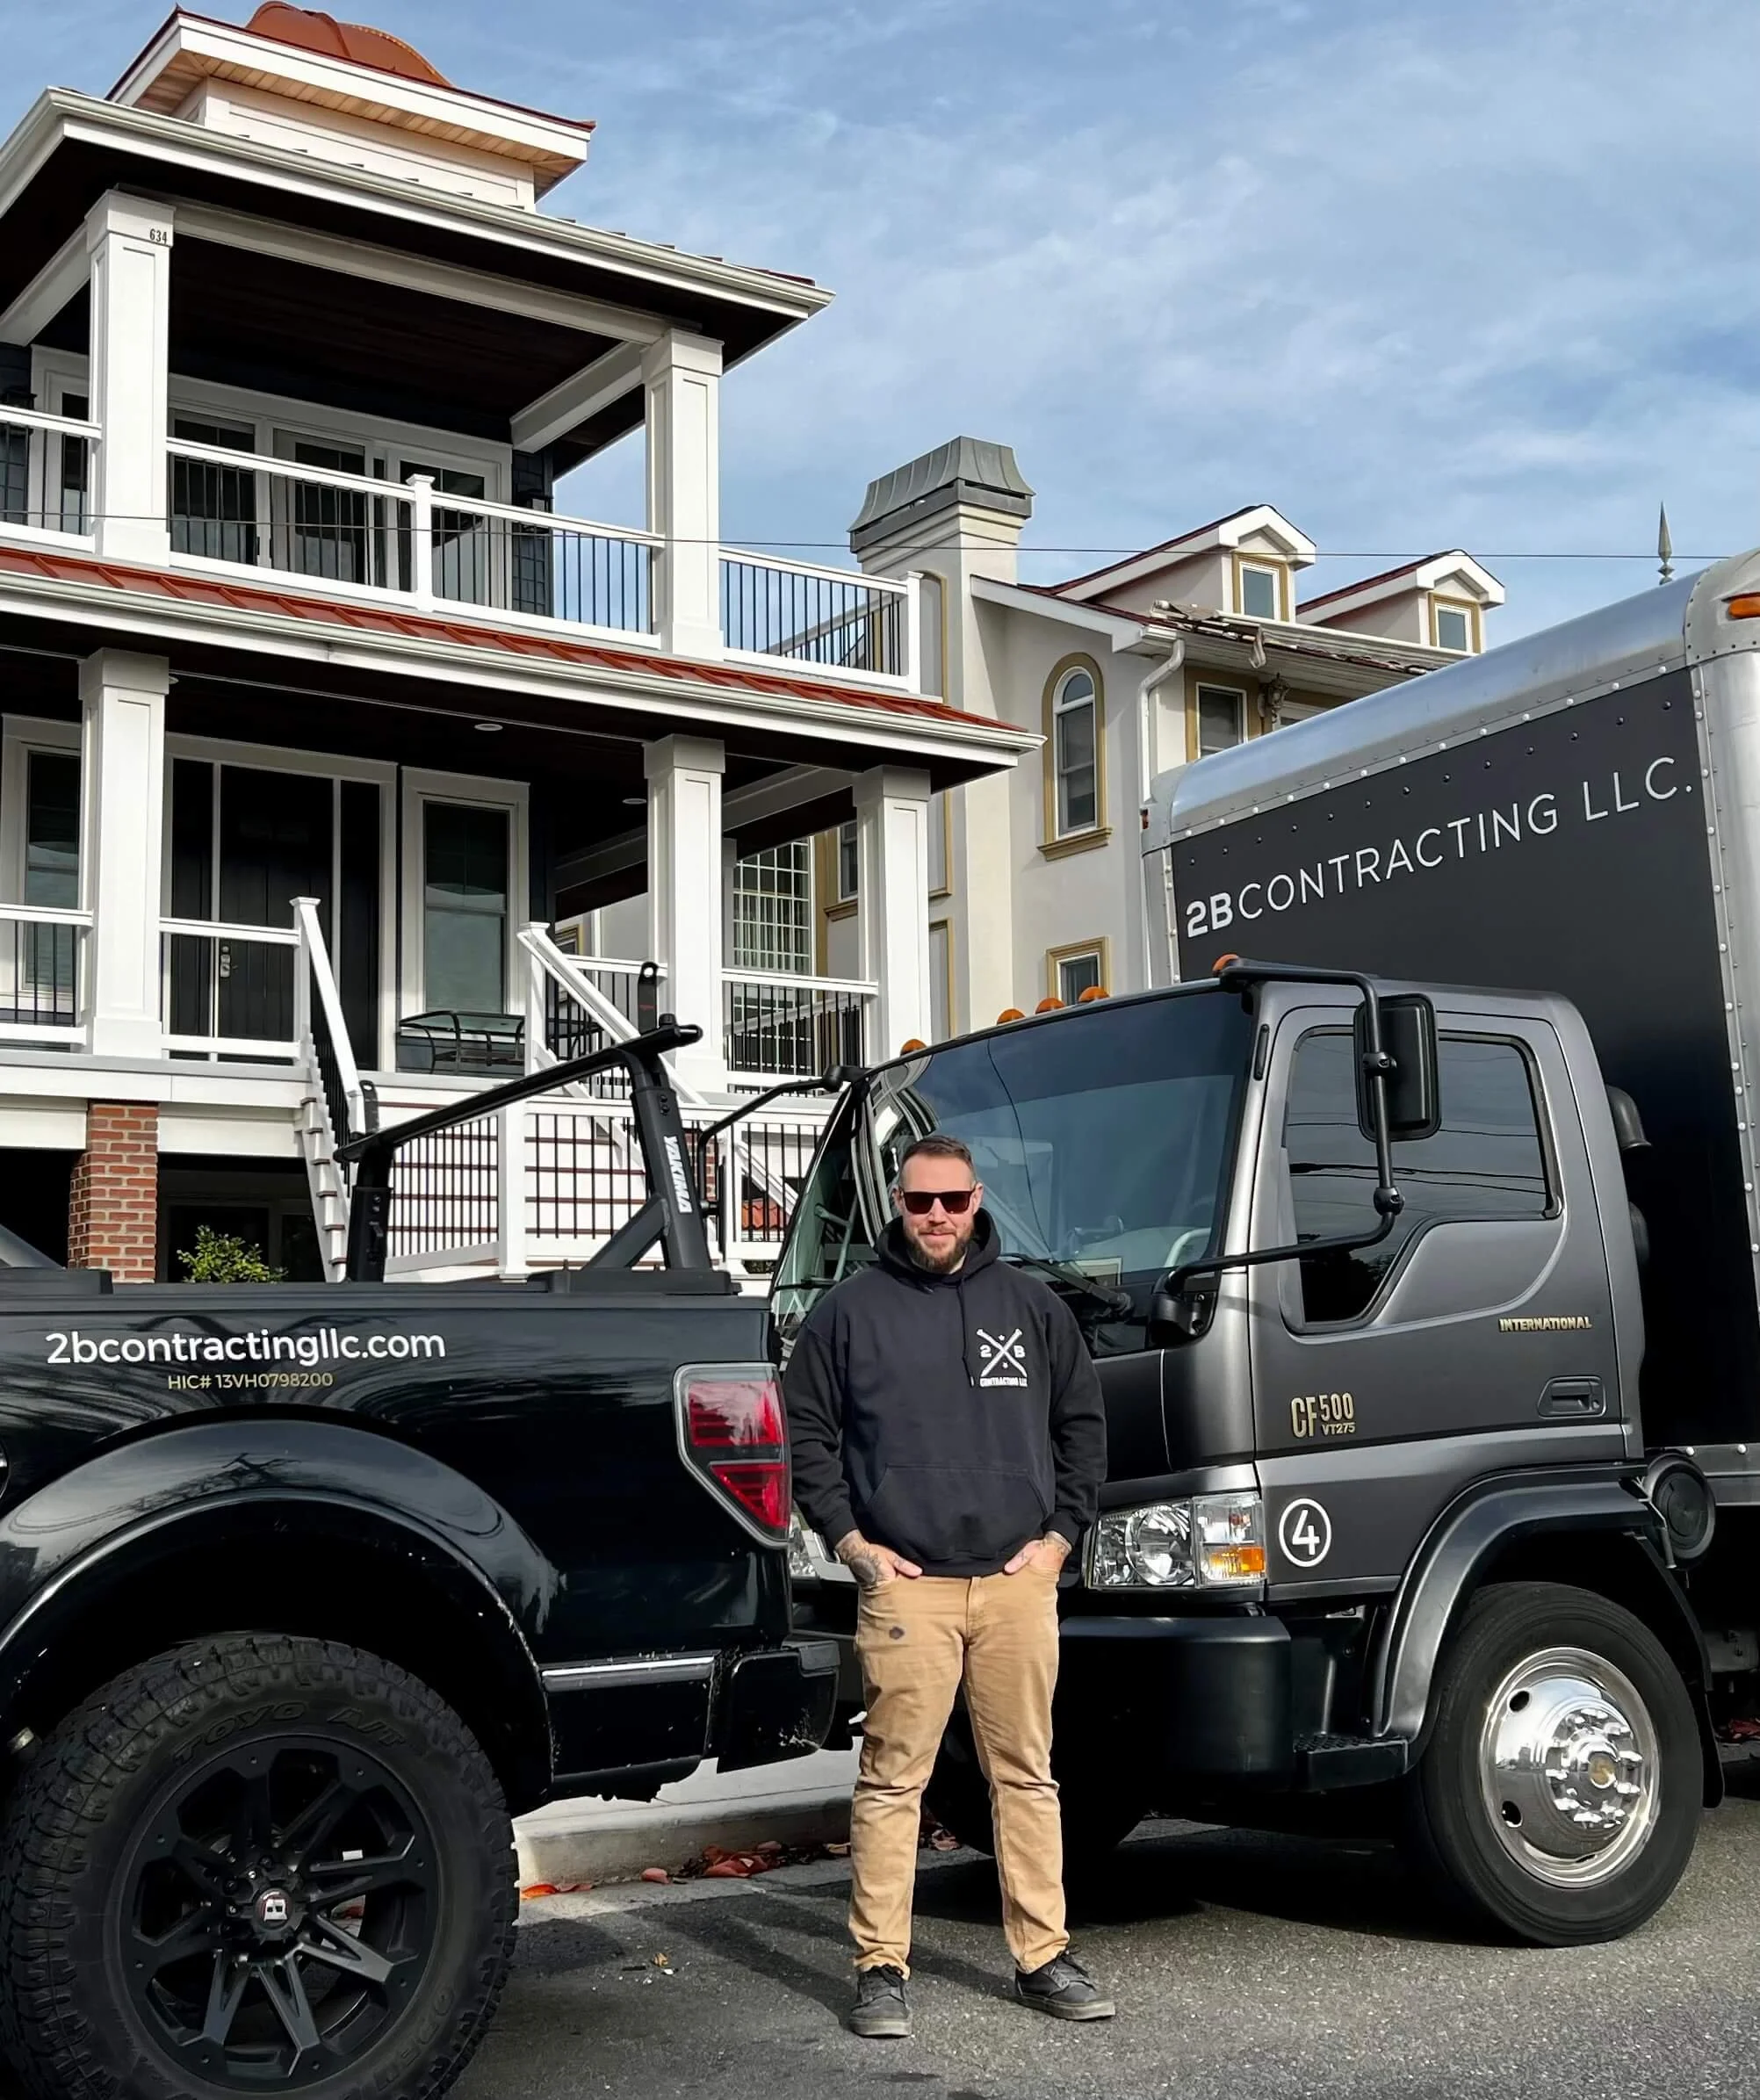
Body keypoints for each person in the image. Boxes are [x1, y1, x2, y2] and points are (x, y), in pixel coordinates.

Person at [783, 1130, 1112, 2039]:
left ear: (977, 1203)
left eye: (953, 1201)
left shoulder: (1033, 1308)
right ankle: (880, 1969)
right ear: (897, 1203)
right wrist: (852, 1543)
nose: (936, 1217)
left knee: (1027, 1778)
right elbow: (805, 1436)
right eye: (919, 1201)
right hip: (907, 1588)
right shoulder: (848, 1313)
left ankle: (1044, 1958)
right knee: (895, 1783)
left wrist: (1056, 1542)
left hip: (1015, 1584)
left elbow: (1082, 1431)